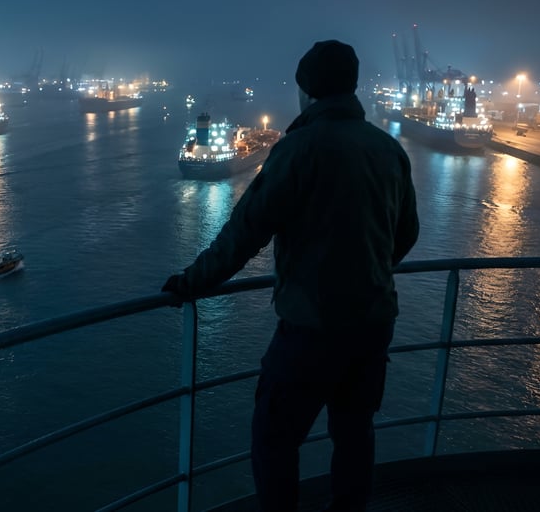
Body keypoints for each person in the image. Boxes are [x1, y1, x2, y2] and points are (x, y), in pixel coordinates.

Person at [161, 40, 419, 511]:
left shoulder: (298, 148)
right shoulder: (388, 149)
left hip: (312, 328)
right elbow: (407, 234)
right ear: (352, 86)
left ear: (304, 90)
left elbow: (244, 233)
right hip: (373, 323)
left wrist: (190, 282)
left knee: (274, 438)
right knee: (354, 434)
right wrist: (366, 270)